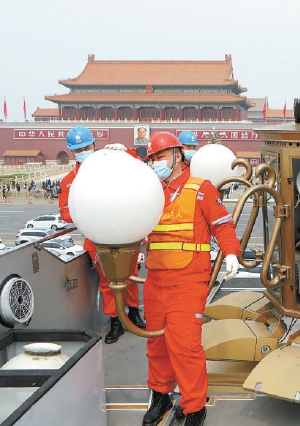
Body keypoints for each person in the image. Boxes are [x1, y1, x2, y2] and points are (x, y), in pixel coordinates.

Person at [142, 132, 241, 426]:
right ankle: (160, 395)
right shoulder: (148, 191)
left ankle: (194, 407)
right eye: (152, 159)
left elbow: (222, 225)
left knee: (185, 346)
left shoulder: (201, 189)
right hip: (155, 280)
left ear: (177, 155)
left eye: (159, 157)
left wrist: (231, 253)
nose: (156, 163)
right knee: (156, 345)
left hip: (188, 281)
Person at [58, 126, 146, 344]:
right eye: (78, 149)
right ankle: (115, 321)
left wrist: (126, 152)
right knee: (107, 284)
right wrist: (92, 212)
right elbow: (66, 214)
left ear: (94, 144)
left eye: (87, 147)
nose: (84, 151)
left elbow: (139, 169)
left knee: (131, 277)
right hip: (96, 240)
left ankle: (134, 314)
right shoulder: (69, 181)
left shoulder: (110, 167)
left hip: (124, 234)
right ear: (72, 152)